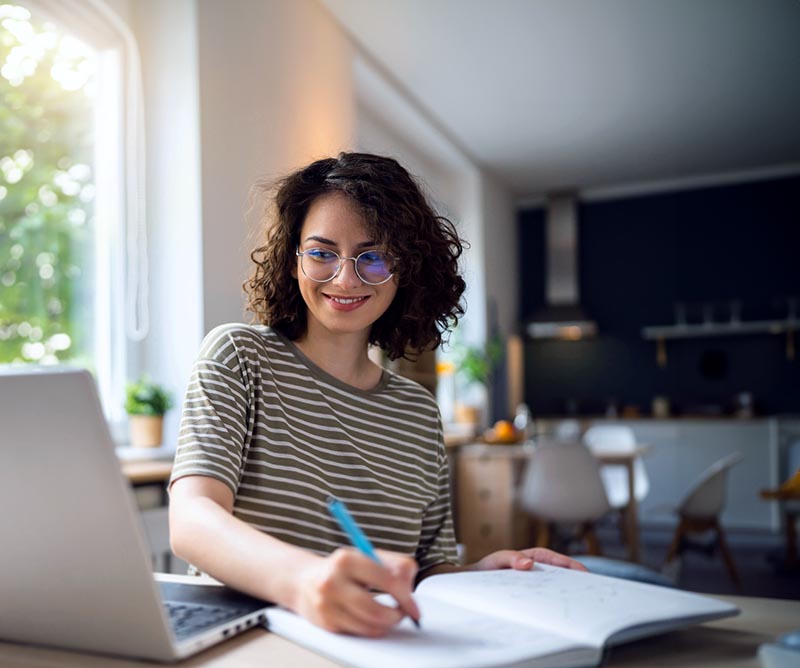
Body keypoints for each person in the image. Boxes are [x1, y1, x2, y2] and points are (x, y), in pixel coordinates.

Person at [169, 151, 585, 638]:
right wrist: (303, 581)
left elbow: (428, 572)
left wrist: (484, 576)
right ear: (292, 258)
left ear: (406, 269)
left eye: (374, 257)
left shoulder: (417, 413)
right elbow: (193, 520)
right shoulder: (239, 356)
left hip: (375, 648)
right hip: (247, 643)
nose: (346, 279)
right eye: (322, 252)